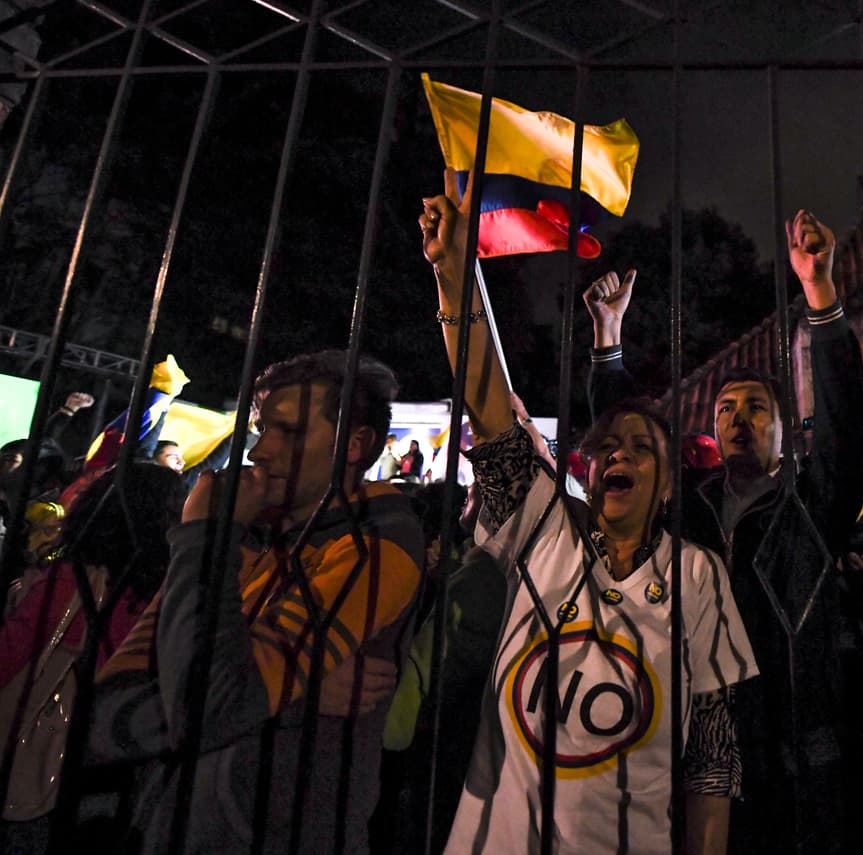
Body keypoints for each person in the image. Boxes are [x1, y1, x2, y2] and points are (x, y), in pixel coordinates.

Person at [422, 171, 758, 854]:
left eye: (641, 446)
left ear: (668, 486)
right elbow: (491, 413)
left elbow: (713, 758)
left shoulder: (697, 575)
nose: (619, 455)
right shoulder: (546, 530)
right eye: (606, 445)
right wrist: (457, 274)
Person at [585, 211, 863, 852]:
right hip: (694, 738)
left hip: (796, 742)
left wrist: (821, 295)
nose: (737, 419)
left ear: (783, 427)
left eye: (755, 408)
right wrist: (608, 336)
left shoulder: (814, 502)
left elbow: (849, 423)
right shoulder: (688, 508)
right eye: (725, 409)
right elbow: (626, 436)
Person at [93, 350, 425, 855]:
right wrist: (290, 695)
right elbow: (105, 714)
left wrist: (205, 535)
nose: (259, 451)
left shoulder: (376, 544)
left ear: (355, 445)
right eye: (262, 429)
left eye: (287, 432)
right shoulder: (248, 533)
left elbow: (206, 707)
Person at [0, 462, 185, 851]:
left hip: (50, 764)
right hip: (123, 761)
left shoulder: (75, 579)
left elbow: (11, 653)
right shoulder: (173, 592)